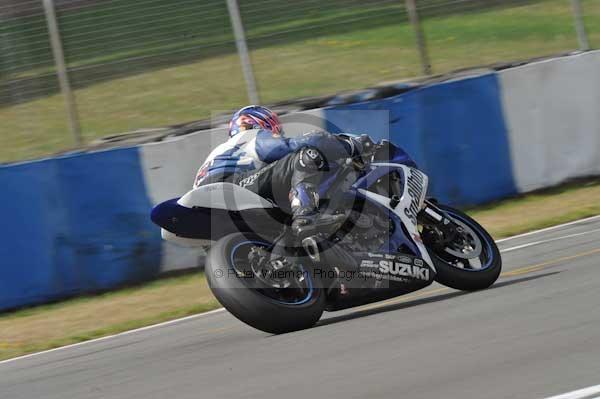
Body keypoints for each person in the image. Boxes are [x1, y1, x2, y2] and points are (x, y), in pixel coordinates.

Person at [194, 105, 372, 233]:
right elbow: (288, 146)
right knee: (305, 155)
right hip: (230, 186)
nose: (277, 133)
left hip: (209, 213)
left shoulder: (221, 153)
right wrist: (347, 145)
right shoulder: (248, 136)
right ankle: (306, 215)